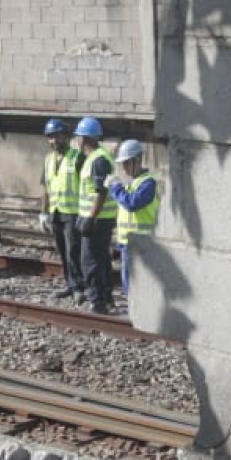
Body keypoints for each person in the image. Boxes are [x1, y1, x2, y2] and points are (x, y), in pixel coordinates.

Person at [106, 139, 159, 302]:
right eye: (122, 164)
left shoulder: (148, 183)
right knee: (129, 283)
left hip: (141, 243)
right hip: (128, 243)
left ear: (137, 160)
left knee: (136, 285)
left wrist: (115, 187)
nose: (124, 168)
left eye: (127, 163)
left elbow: (132, 204)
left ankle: (137, 315)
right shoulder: (132, 184)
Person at [73, 116, 116, 313]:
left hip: (97, 218)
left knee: (90, 261)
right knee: (102, 259)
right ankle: (106, 297)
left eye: (78, 137)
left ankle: (97, 301)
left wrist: (90, 218)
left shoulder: (98, 160)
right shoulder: (97, 157)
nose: (76, 140)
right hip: (100, 217)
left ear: (86, 139)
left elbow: (101, 192)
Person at [41, 117, 86, 300]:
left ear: (66, 137)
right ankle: (70, 283)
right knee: (62, 250)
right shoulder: (48, 159)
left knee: (73, 251)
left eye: (57, 136)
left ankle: (78, 287)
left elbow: (86, 187)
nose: (53, 141)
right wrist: (43, 213)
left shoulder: (77, 158)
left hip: (73, 213)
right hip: (56, 212)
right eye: (50, 137)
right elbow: (45, 187)